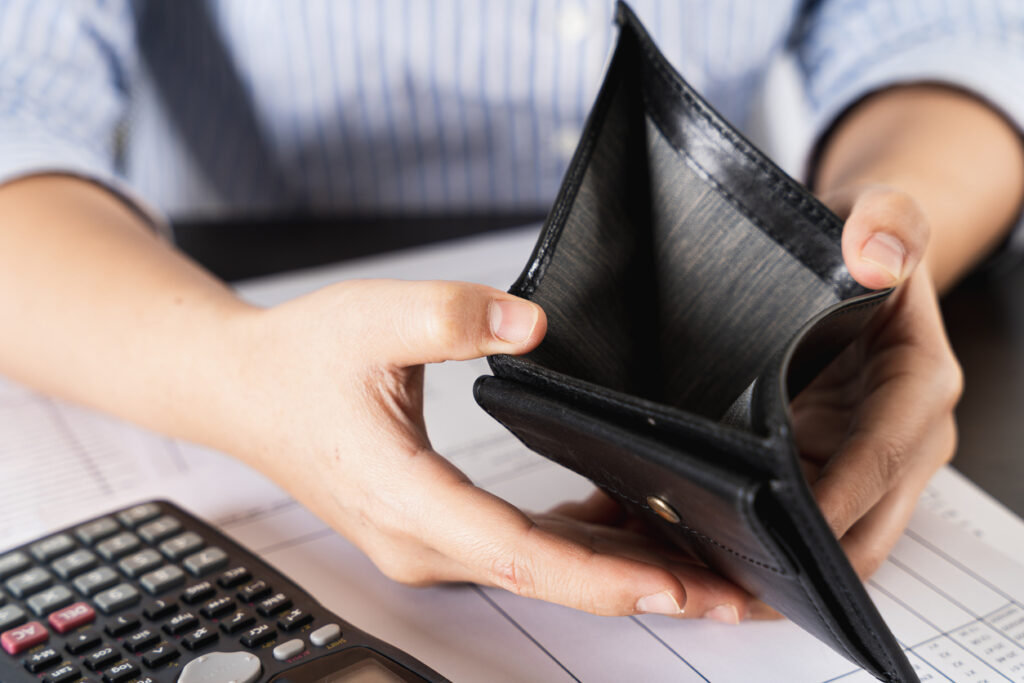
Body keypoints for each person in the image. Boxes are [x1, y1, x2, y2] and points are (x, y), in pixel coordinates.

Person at [0, 0, 1021, 625]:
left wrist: (875, 237)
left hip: (731, 311)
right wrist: (230, 369)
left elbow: (942, 30)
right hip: (221, 285)